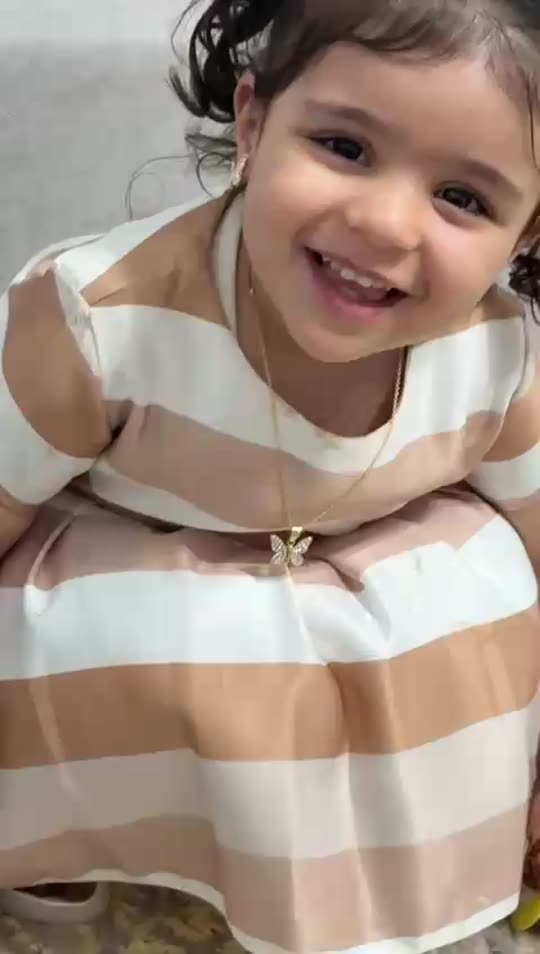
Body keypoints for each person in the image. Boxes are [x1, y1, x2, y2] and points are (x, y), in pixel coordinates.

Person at [1, 0, 540, 948]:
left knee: (493, 588)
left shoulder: (498, 354)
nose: (383, 223)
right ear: (252, 123)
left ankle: (386, 869)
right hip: (137, 578)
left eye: (463, 199)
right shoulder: (103, 316)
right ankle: (63, 840)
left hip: (362, 574)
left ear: (526, 235)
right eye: (344, 147)